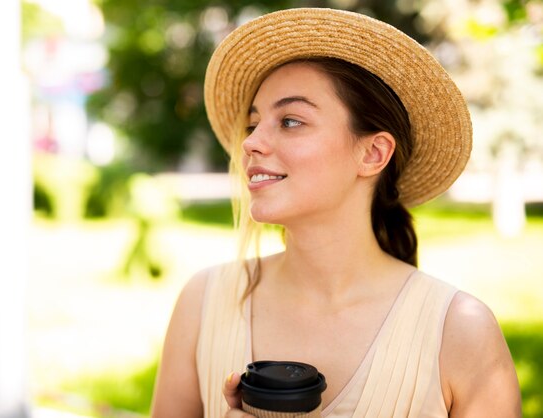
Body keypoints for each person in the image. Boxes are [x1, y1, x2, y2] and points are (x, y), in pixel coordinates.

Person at [151, 8, 521, 418]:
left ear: (373, 153)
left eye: (290, 121)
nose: (252, 143)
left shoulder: (461, 331)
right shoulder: (203, 303)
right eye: (253, 124)